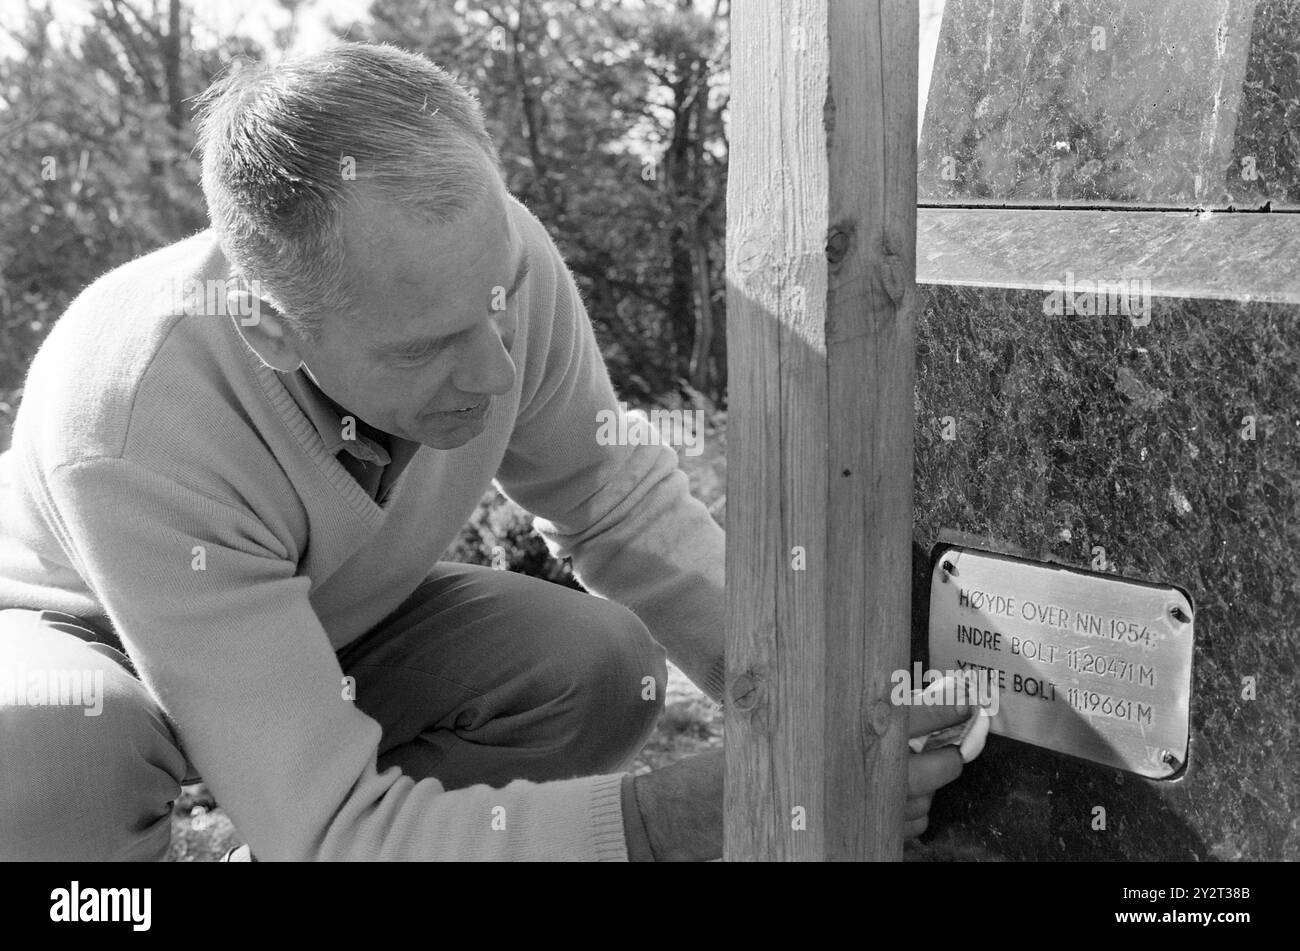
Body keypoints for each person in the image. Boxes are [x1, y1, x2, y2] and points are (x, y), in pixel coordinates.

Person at [0, 42, 964, 861]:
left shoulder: (489, 258)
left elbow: (615, 502)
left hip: (329, 623)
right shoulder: (129, 420)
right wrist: (693, 814)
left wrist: (817, 718)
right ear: (272, 331)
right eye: (425, 349)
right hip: (89, 631)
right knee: (53, 748)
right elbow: (333, 835)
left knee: (594, 664)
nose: (499, 372)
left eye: (498, 304)